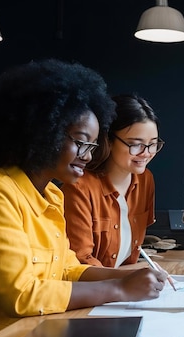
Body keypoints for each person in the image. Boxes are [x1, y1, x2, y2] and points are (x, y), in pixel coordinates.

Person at [0, 59, 169, 337]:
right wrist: (119, 288)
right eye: (81, 142)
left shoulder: (52, 196)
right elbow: (21, 295)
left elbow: (67, 268)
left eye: (92, 146)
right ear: (45, 132)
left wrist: (128, 275)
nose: (88, 156)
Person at [63, 94, 163, 267]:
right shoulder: (79, 188)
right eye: (135, 144)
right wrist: (124, 282)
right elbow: (81, 262)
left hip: (124, 284)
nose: (146, 153)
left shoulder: (145, 179)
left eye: (152, 144)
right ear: (108, 140)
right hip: (96, 288)